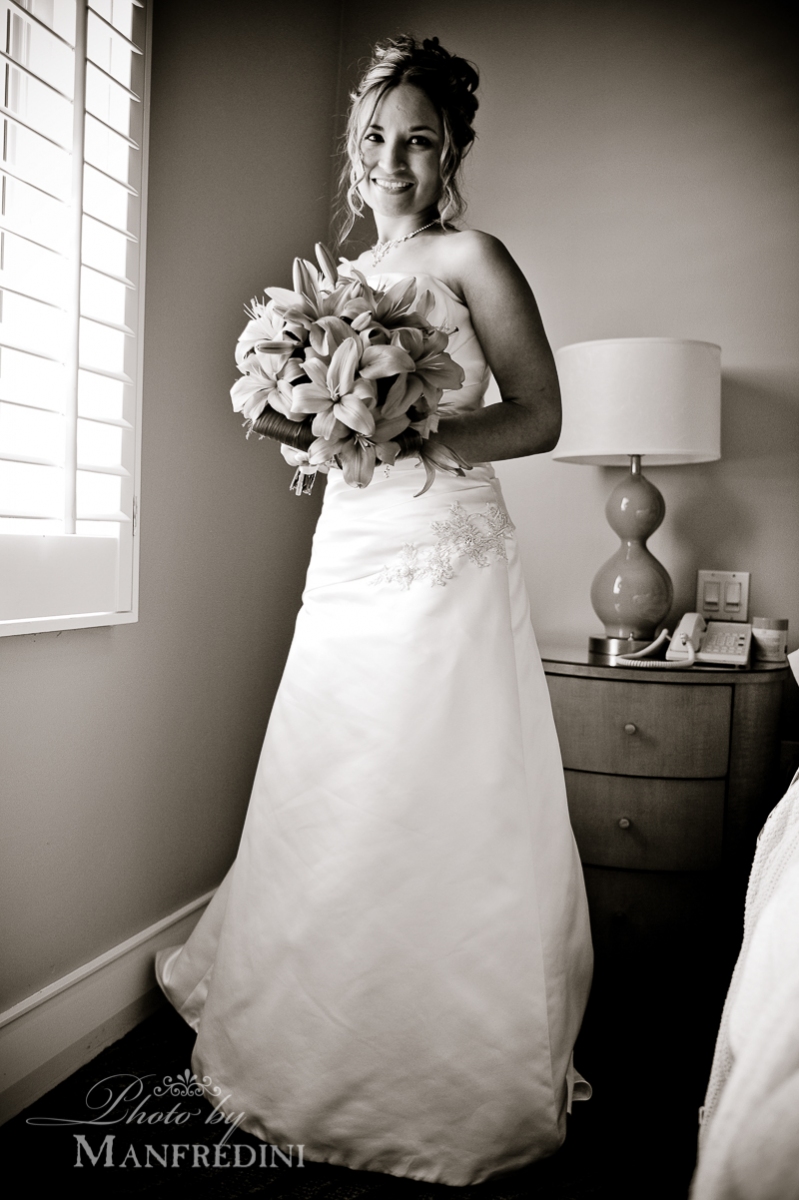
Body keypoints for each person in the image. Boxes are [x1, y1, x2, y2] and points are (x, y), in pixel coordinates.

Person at [157, 34, 593, 1188]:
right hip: (350, 543)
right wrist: (302, 418)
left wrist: (420, 433)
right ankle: (311, 1016)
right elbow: (318, 429)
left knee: (431, 775)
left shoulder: (472, 257)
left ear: (449, 153)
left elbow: (542, 415)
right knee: (334, 767)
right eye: (376, 139)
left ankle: (436, 1047)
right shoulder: (340, 281)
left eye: (419, 142)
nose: (393, 160)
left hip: (444, 547)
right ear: (353, 151)